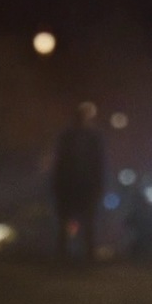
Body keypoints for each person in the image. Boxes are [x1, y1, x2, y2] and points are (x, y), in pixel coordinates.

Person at [51, 102, 106, 261]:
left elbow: (99, 163)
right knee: (66, 220)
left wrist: (98, 184)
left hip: (85, 184)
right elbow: (60, 161)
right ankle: (65, 253)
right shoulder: (68, 136)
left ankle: (87, 253)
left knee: (87, 220)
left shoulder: (93, 137)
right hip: (70, 184)